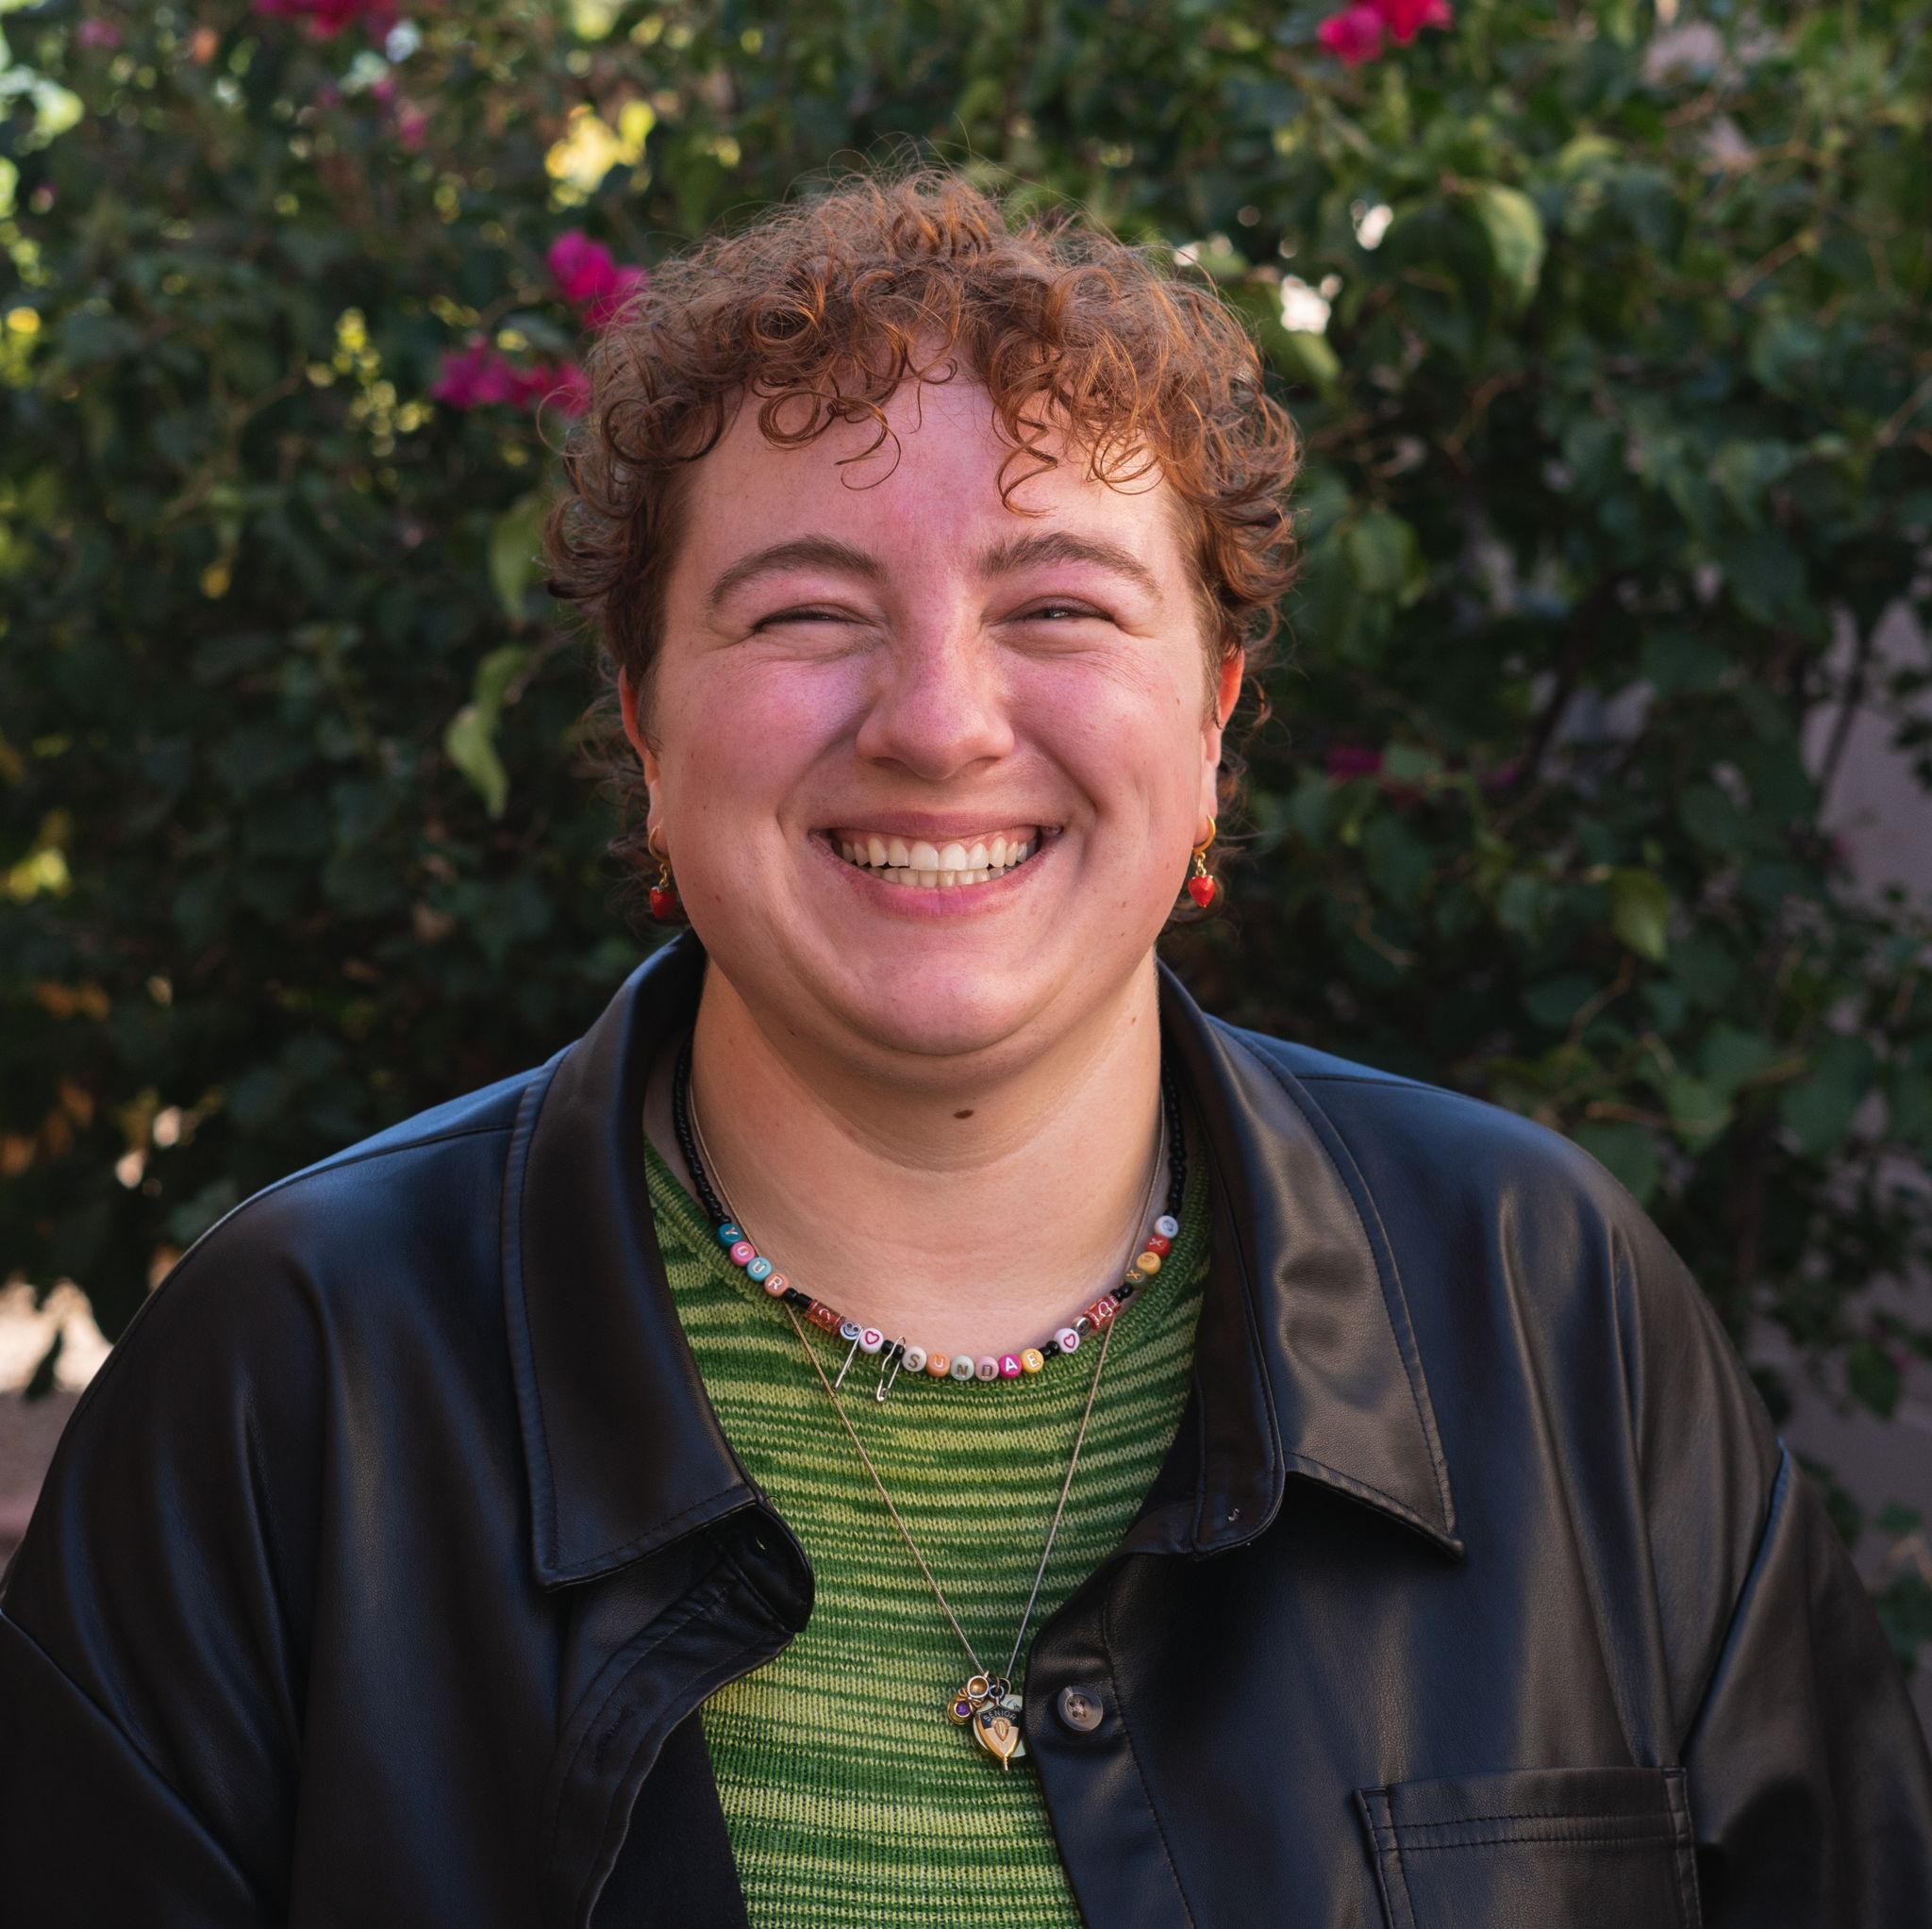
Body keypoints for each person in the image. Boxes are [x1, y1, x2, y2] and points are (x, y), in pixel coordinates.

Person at [2, 163, 1928, 1929]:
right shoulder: (292, 1373)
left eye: (1060, 604)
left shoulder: (1548, 1305)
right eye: (805, 611)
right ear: (648, 727)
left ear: (1213, 720)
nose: (938, 723)